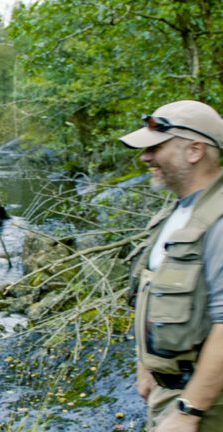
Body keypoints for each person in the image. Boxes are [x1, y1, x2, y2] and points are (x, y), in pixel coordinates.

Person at [121, 100, 223, 432]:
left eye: (156, 147)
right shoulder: (174, 214)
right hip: (170, 393)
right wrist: (146, 367)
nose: (145, 157)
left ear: (194, 151)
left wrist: (188, 412)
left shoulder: (219, 221)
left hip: (205, 405)